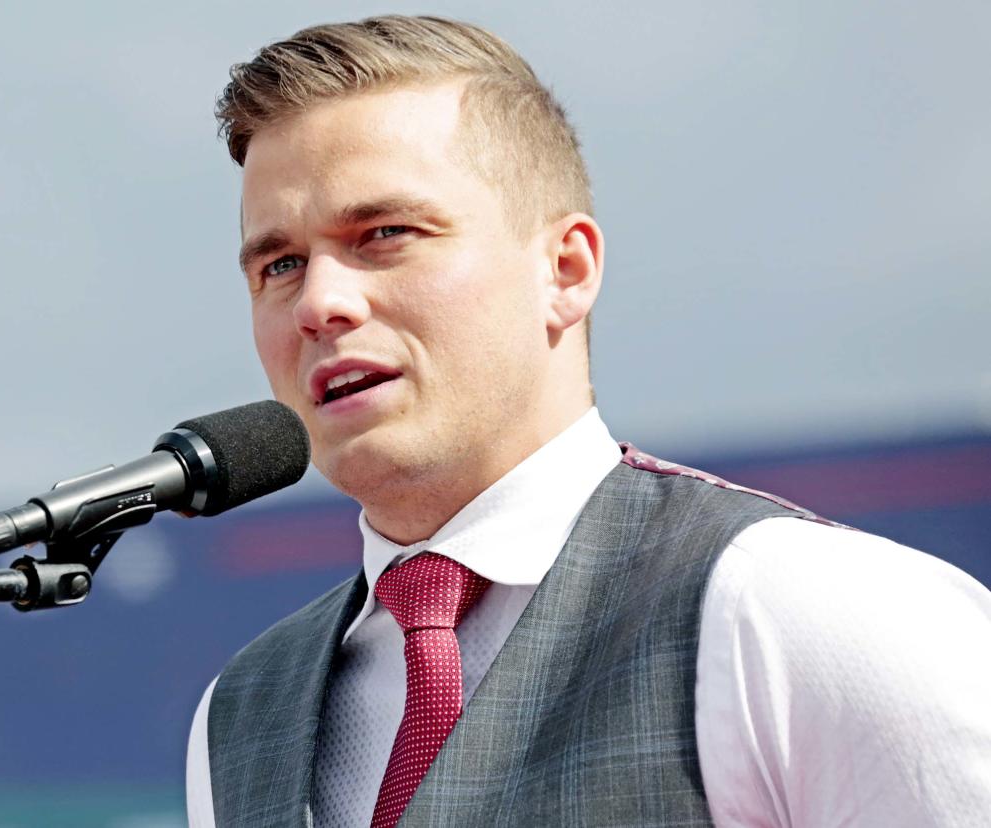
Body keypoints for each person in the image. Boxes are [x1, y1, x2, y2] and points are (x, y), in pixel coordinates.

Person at [186, 15, 991, 827]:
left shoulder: (798, 611)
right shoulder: (240, 714)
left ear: (564, 271)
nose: (321, 303)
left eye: (386, 233)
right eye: (280, 264)